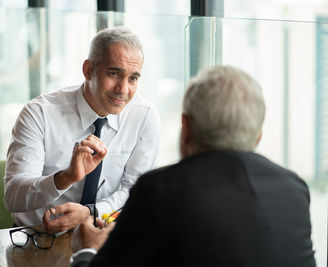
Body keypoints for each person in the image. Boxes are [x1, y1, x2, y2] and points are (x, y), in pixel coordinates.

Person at [70, 65, 316, 267]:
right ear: (258, 135)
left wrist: (87, 251)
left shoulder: (160, 190)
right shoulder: (295, 189)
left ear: (185, 128)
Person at [3, 26, 160, 231]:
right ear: (88, 70)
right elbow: (13, 197)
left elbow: (136, 191)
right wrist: (65, 177)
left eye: (133, 78)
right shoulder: (39, 113)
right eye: (114, 73)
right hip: (38, 237)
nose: (123, 89)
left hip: (104, 233)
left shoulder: (144, 115)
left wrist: (92, 212)